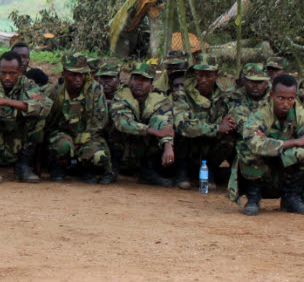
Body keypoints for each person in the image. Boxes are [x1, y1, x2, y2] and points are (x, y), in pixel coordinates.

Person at [230, 74, 304, 216]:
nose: (285, 104)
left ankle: (292, 197)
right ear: (272, 95)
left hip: (286, 166)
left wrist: (268, 142)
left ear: (295, 97)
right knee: (245, 149)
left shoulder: (300, 114)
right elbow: (252, 142)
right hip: (263, 166)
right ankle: (253, 197)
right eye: (281, 98)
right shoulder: (260, 114)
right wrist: (293, 142)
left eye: (290, 99)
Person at [0, 51, 52, 183]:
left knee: (38, 119)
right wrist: (25, 109)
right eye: (4, 72)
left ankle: (24, 165)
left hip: (17, 141)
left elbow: (45, 106)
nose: (7, 77)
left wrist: (4, 102)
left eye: (12, 73)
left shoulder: (27, 84)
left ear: (20, 72)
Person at [172, 54, 235, 191]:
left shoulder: (222, 98)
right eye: (200, 75)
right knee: (179, 133)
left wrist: (227, 125)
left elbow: (227, 122)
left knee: (229, 136)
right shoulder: (182, 95)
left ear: (216, 76)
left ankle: (210, 171)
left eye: (209, 76)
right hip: (187, 144)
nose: (204, 80)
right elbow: (183, 125)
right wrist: (216, 127)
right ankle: (182, 172)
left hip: (209, 145)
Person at [46, 53, 111, 183]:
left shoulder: (95, 89)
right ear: (63, 74)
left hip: (87, 135)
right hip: (61, 134)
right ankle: (59, 166)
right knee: (62, 145)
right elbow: (47, 122)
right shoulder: (54, 91)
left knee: (99, 156)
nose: (78, 79)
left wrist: (82, 138)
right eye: (73, 74)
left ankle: (86, 168)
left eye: (81, 74)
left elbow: (100, 120)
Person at [109, 63, 176, 186]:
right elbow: (123, 123)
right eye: (136, 79)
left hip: (142, 149)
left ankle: (147, 172)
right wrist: (153, 131)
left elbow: (164, 123)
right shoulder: (121, 95)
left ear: (151, 85)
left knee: (156, 123)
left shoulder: (160, 99)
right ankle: (112, 169)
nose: (139, 83)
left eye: (144, 80)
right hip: (122, 146)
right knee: (115, 128)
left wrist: (168, 146)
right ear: (129, 81)